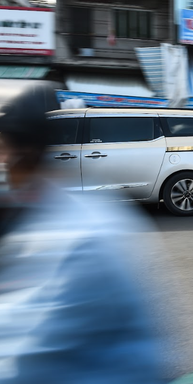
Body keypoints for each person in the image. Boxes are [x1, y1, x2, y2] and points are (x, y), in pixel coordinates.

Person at [0, 81, 166, 383]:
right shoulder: (34, 217)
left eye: (2, 148)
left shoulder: (78, 240)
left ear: (19, 153)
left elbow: (23, 358)